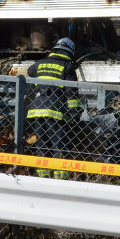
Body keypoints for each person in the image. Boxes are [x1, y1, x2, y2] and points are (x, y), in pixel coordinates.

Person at [26, 37, 80, 178]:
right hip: (55, 112)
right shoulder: (67, 67)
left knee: (42, 143)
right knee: (59, 144)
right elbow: (71, 93)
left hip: (36, 111)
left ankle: (43, 175)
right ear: (70, 52)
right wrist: (75, 112)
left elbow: (30, 71)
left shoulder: (39, 64)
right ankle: (60, 176)